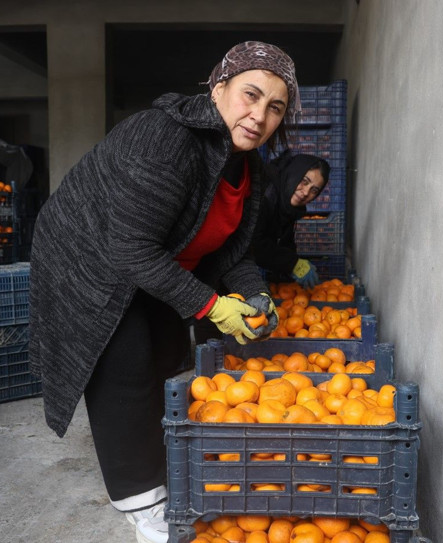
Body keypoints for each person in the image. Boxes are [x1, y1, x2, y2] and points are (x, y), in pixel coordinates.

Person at [27, 41, 300, 543]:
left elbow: (234, 251)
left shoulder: (248, 164)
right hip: (90, 256)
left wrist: (255, 296)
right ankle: (142, 502)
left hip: (153, 258)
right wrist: (211, 304)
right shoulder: (166, 137)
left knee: (164, 358)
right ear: (219, 88)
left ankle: (163, 463)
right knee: (124, 367)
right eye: (250, 95)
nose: (259, 115)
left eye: (274, 107)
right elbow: (129, 249)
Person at [253, 150, 330, 289]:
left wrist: (294, 267)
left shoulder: (287, 206)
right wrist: (292, 263)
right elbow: (253, 244)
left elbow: (285, 239)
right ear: (294, 174)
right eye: (304, 181)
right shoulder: (265, 194)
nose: (306, 192)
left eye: (314, 190)